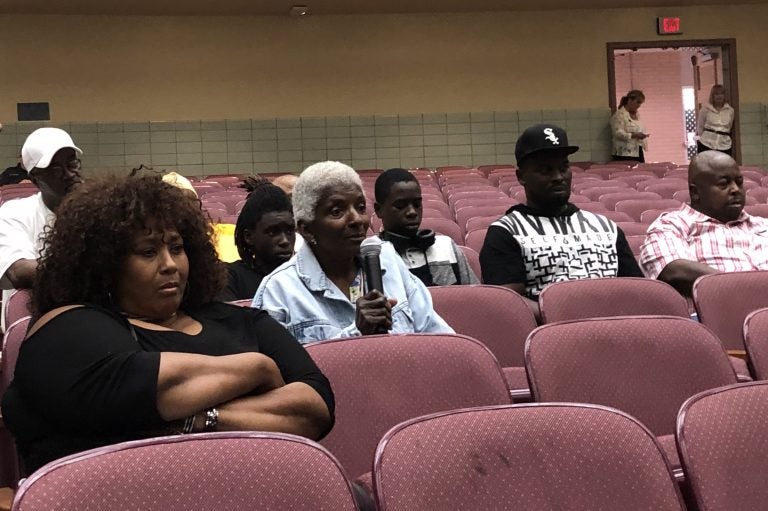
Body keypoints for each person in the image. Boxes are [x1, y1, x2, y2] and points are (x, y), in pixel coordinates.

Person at [1, 175, 334, 475]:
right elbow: (131, 390)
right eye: (148, 252)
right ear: (104, 264)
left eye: (177, 248)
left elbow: (314, 410)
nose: (170, 264)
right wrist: (257, 368)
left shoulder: (241, 319)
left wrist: (196, 419)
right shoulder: (69, 325)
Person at [253, 160, 453, 344]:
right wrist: (356, 333)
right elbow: (281, 374)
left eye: (360, 207)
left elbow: (440, 339)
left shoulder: (388, 260)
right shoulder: (279, 290)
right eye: (337, 211)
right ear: (306, 229)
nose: (357, 219)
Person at [480, 124, 643, 315]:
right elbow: (507, 302)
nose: (558, 177)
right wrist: (568, 314)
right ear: (521, 176)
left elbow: (636, 289)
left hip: (615, 328)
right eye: (545, 170)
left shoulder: (605, 228)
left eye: (563, 167)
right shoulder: (505, 232)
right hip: (554, 337)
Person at [640, 151, 768, 296]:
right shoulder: (671, 225)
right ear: (695, 192)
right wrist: (746, 290)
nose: (736, 190)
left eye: (739, 182)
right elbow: (673, 271)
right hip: (716, 313)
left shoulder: (763, 225)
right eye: (723, 184)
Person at [0, 127, 83, 330]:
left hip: (88, 313)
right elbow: (19, 271)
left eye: (72, 163)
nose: (69, 174)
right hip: (34, 319)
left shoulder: (97, 210)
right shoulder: (15, 212)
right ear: (35, 178)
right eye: (55, 170)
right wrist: (92, 272)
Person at [373, 168, 478, 286]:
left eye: (417, 205)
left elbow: (476, 297)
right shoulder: (371, 256)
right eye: (401, 206)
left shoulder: (446, 246)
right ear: (378, 210)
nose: (412, 212)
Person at [221, 179, 296, 301]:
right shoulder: (229, 277)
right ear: (249, 237)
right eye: (273, 232)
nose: (285, 241)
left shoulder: (306, 274)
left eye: (289, 231)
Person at [611, 89, 649, 163]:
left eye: (640, 103)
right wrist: (633, 135)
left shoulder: (637, 115)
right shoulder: (619, 115)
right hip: (623, 152)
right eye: (637, 102)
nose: (639, 105)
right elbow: (617, 133)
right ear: (630, 100)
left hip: (637, 150)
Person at [697, 84, 735, 156]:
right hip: (706, 143)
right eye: (716, 94)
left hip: (724, 145)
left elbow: (729, 126)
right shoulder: (705, 109)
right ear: (712, 96)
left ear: (724, 95)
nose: (719, 96)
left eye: (722, 93)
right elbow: (700, 126)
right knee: (705, 166)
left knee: (723, 166)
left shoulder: (730, 111)